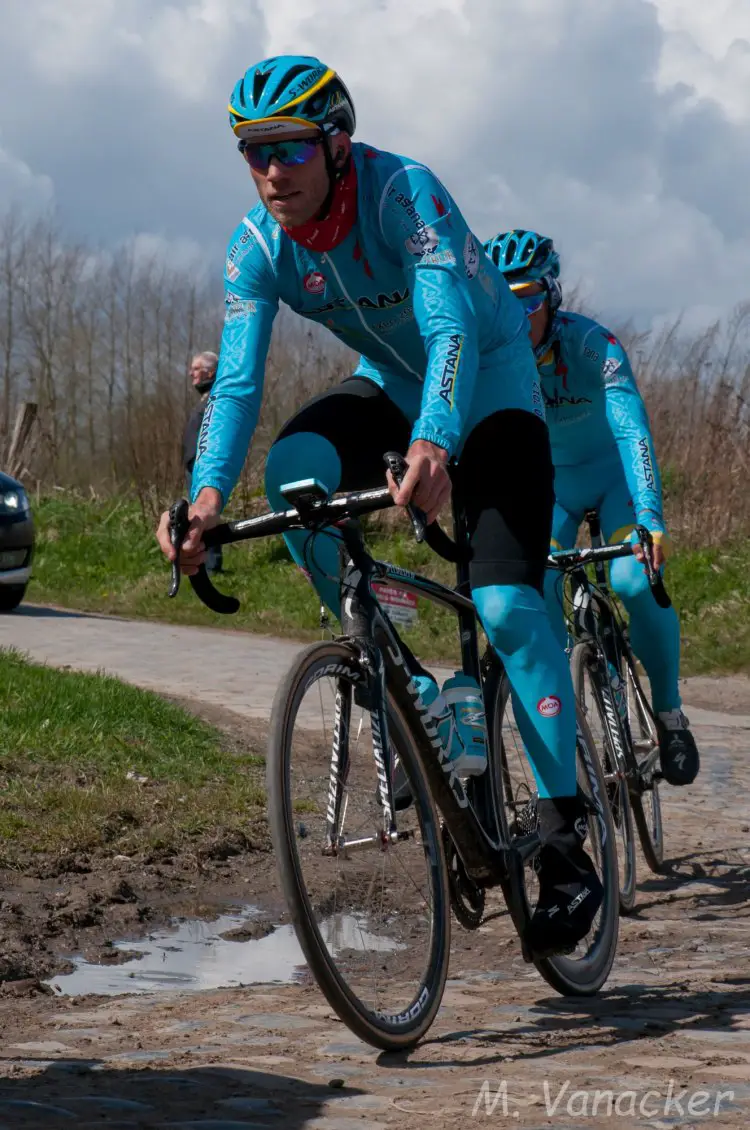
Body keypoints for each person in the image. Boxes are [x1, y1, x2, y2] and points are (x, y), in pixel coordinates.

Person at [156, 55, 603, 955]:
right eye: (253, 154)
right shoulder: (257, 246)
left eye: (287, 149)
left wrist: (436, 442)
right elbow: (237, 384)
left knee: (511, 608)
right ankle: (412, 685)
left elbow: (451, 332)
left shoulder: (406, 196)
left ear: (336, 142)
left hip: (494, 389)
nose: (271, 172)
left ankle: (566, 846)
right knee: (293, 472)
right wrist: (205, 502)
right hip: (391, 387)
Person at [483, 229, 699, 787]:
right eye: (505, 301)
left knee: (631, 580)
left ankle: (670, 713)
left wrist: (649, 516)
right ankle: (565, 718)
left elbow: (632, 431)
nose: (517, 314)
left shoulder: (593, 346)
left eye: (528, 299)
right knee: (537, 587)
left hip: (613, 482)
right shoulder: (493, 355)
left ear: (551, 295)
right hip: (550, 488)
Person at [182, 351, 223, 574]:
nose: (191, 373)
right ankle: (204, 564)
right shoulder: (205, 398)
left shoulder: (216, 398)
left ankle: (211, 565)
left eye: (196, 368)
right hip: (194, 466)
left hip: (204, 467)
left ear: (211, 372)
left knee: (205, 515)